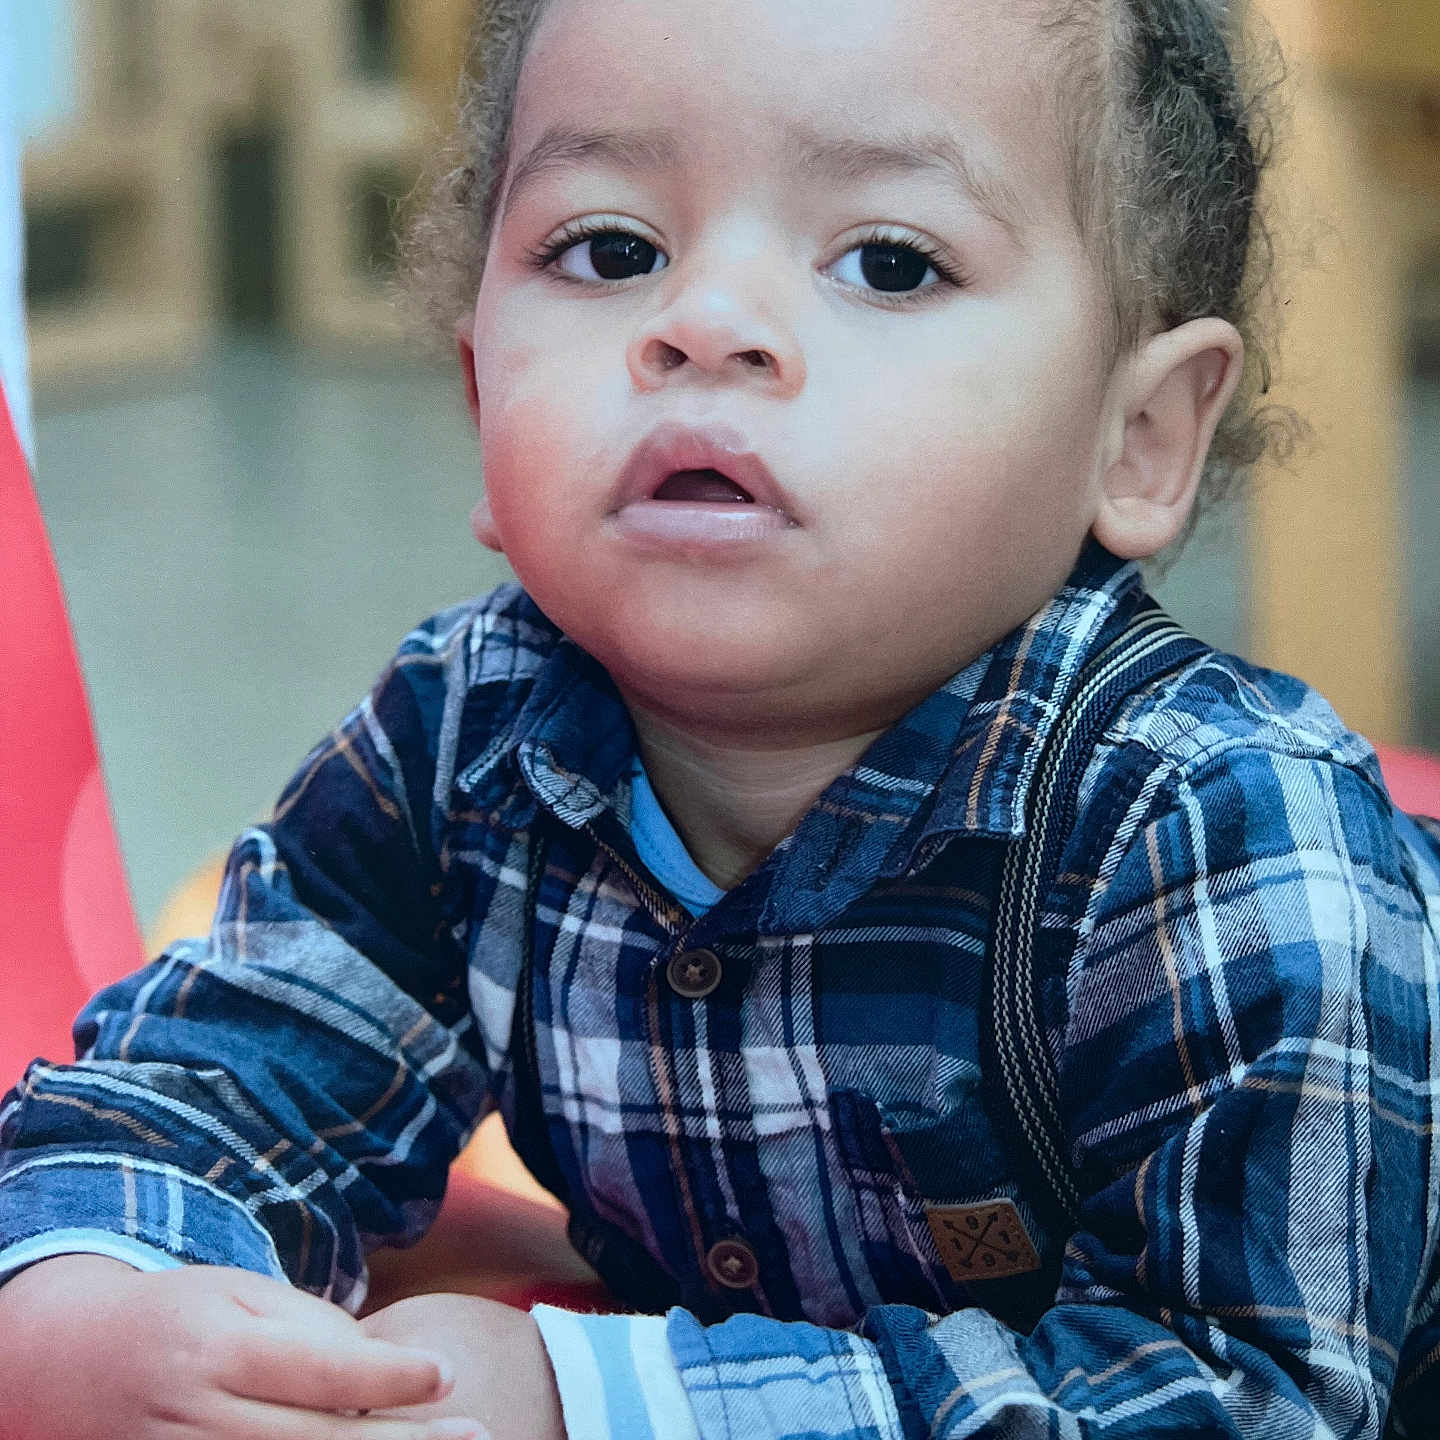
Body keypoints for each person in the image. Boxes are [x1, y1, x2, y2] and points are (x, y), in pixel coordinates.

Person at [2, 0, 1438, 1436]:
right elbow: (207, 1078)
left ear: (1138, 437)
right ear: (480, 395)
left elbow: (1243, 1397)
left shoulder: (1218, 824)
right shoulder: (465, 738)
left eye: (889, 262)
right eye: (611, 250)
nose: (705, 324)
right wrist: (87, 1286)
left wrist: (598, 1406)